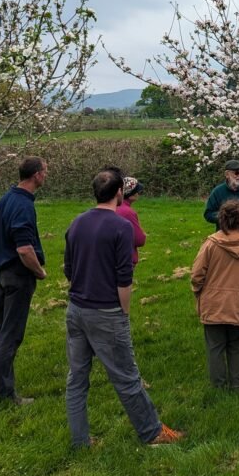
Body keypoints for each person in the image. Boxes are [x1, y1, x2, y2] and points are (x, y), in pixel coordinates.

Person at [64, 167, 184, 447]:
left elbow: (69, 269)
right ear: (119, 193)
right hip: (106, 312)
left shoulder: (76, 222)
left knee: (77, 379)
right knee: (127, 377)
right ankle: (152, 433)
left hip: (75, 310)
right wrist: (124, 313)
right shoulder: (121, 227)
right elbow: (123, 278)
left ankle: (80, 440)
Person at [0, 156, 48, 405]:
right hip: (18, 275)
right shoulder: (22, 205)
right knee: (10, 335)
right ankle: (5, 395)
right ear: (36, 175)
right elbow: (24, 249)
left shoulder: (6, 199)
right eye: (45, 171)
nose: (46, 176)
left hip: (1, 274)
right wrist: (39, 271)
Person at [191, 200, 239, 389]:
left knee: (215, 346)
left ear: (221, 218)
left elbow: (197, 274)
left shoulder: (210, 244)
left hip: (213, 303)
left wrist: (198, 292)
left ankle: (218, 385)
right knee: (236, 344)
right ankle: (238, 384)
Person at [117, 177, 147, 268]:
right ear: (130, 194)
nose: (138, 193)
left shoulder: (113, 207)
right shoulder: (127, 212)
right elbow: (139, 239)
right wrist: (143, 234)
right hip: (125, 260)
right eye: (137, 191)